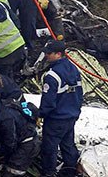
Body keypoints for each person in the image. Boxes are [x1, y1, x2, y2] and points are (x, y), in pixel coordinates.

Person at [39, 40, 82, 177]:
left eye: (49, 53)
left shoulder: (52, 76)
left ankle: (49, 173)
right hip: (71, 115)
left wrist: (39, 114)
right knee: (68, 145)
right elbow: (80, 93)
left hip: (56, 119)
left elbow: (48, 102)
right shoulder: (74, 69)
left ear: (58, 54)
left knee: (49, 148)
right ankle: (71, 170)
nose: (46, 56)